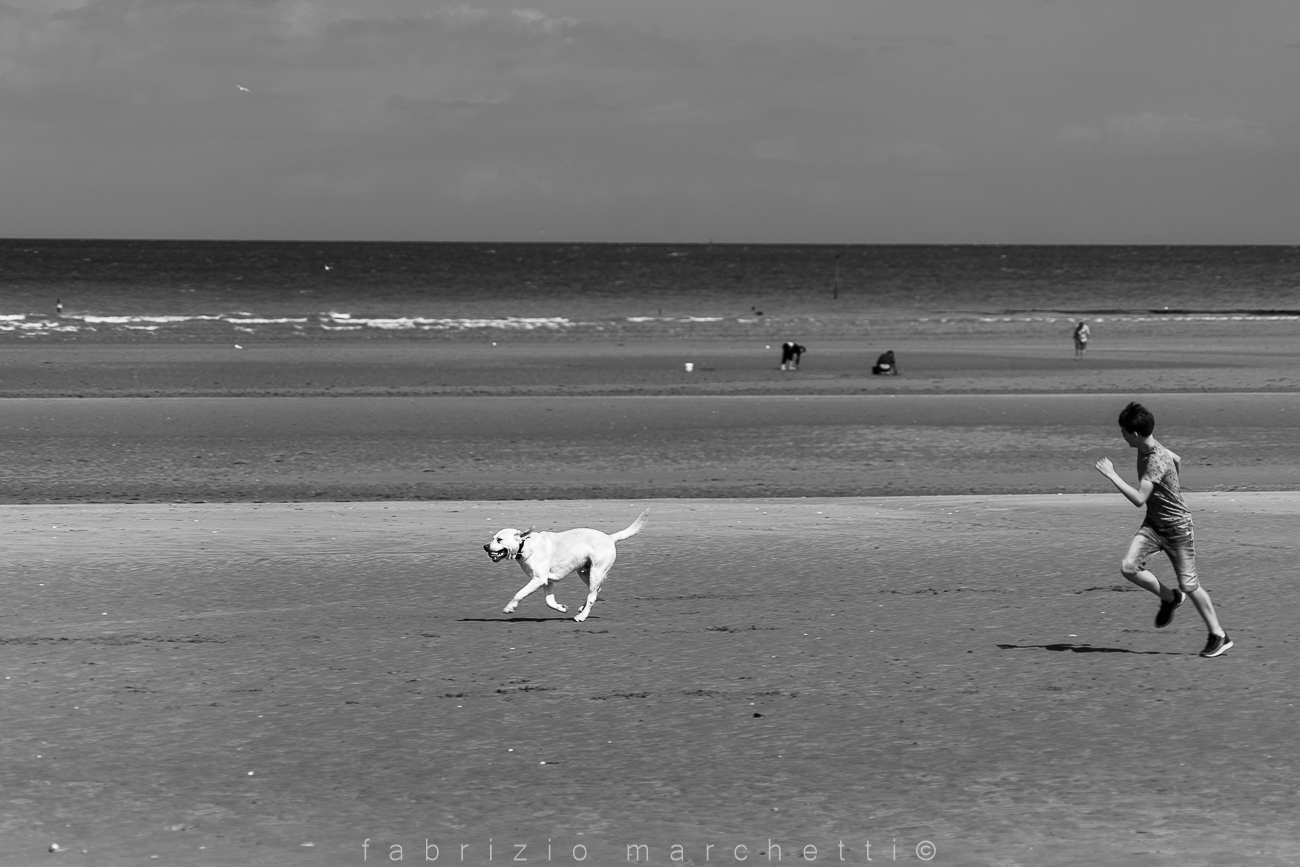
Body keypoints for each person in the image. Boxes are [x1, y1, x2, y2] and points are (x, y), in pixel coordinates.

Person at [1094, 402, 1232, 658]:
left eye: (1123, 432)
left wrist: (1112, 475)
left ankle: (1219, 635)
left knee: (1189, 585)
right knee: (1129, 567)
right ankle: (1170, 598)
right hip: (1154, 523)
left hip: (1178, 527)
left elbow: (1138, 499)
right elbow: (1176, 459)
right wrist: (1172, 487)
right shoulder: (1153, 448)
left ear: (1134, 434)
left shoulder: (1155, 459)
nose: (1122, 436)